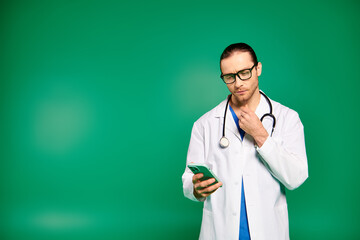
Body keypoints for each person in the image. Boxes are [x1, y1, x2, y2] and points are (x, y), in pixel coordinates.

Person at [182, 43, 308, 240]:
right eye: (229, 77)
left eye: (244, 73)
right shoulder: (204, 124)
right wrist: (196, 189)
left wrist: (261, 136)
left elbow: (296, 178)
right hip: (219, 231)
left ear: (258, 68)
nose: (238, 83)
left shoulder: (287, 118)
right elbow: (189, 180)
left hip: (269, 231)